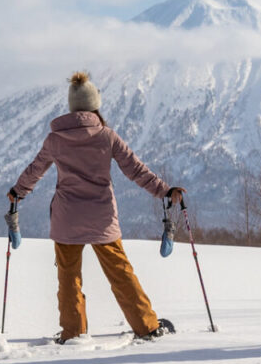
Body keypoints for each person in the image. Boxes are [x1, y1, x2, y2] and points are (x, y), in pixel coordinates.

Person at [9, 71, 180, 344]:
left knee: (68, 279)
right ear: (95, 106)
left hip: (67, 219)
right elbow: (135, 169)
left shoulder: (55, 140)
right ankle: (147, 326)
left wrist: (18, 192)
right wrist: (165, 190)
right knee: (121, 274)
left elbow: (34, 171)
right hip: (102, 218)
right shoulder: (107, 136)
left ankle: (73, 333)